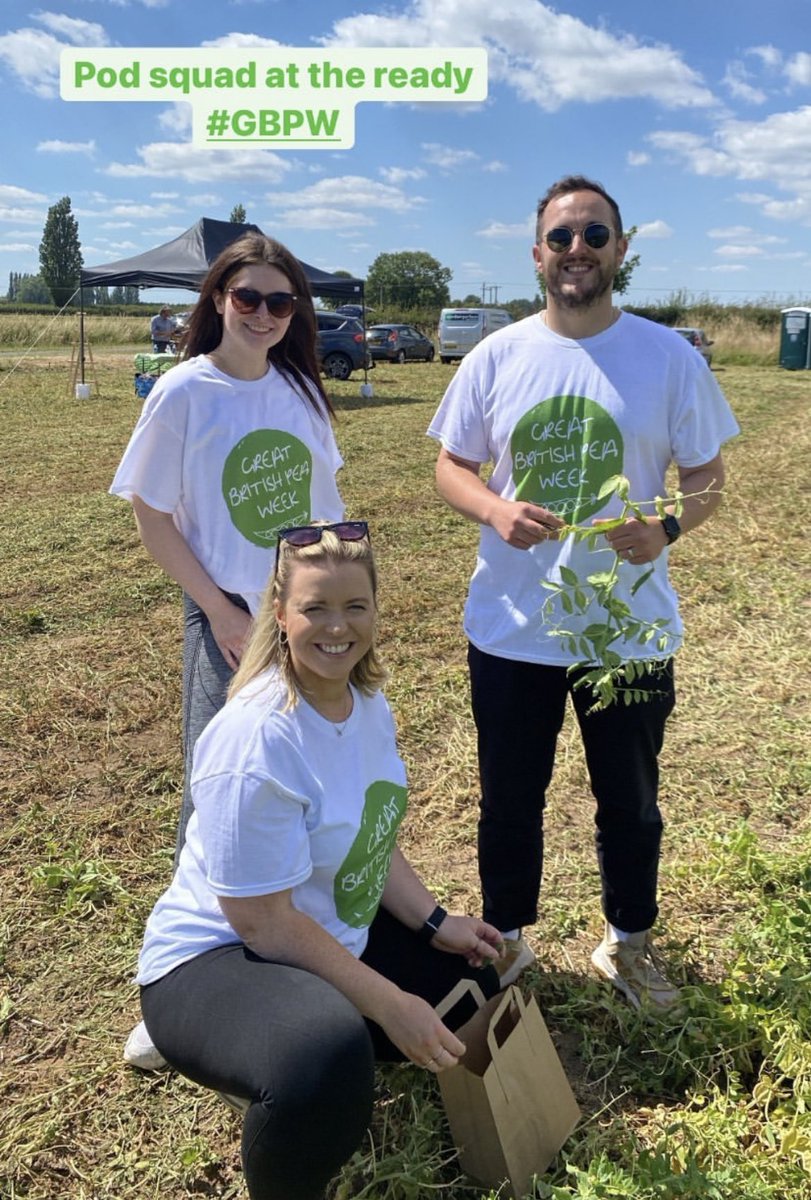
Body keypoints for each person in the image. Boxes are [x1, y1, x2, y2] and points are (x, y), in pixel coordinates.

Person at [428, 175, 739, 1010]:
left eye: (593, 236)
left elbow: (708, 476)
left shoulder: (667, 356)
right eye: (561, 237)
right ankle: (507, 945)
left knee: (630, 803)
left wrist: (667, 528)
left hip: (624, 632)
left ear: (620, 250)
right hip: (512, 627)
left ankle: (628, 945)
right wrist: (493, 508)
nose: (577, 251)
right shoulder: (497, 355)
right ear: (536, 255)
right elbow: (449, 466)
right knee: (508, 801)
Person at [136, 522, 503, 1200]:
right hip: (214, 959)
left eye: (354, 606)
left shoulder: (365, 701)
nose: (337, 627)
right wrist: (389, 1003)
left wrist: (433, 921)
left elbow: (371, 835)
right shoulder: (256, 741)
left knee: (473, 985)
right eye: (315, 607)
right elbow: (262, 925)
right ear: (279, 614)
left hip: (320, 931)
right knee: (326, 1059)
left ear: (374, 609)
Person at [111, 232, 346, 1068]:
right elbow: (152, 515)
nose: (263, 315)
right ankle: (179, 982)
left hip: (302, 621)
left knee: (305, 777)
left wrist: (336, 611)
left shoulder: (301, 394)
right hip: (226, 622)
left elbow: (325, 516)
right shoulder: (183, 392)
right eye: (247, 297)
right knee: (217, 791)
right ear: (217, 300)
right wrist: (216, 609)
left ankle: (293, 940)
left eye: (281, 302)